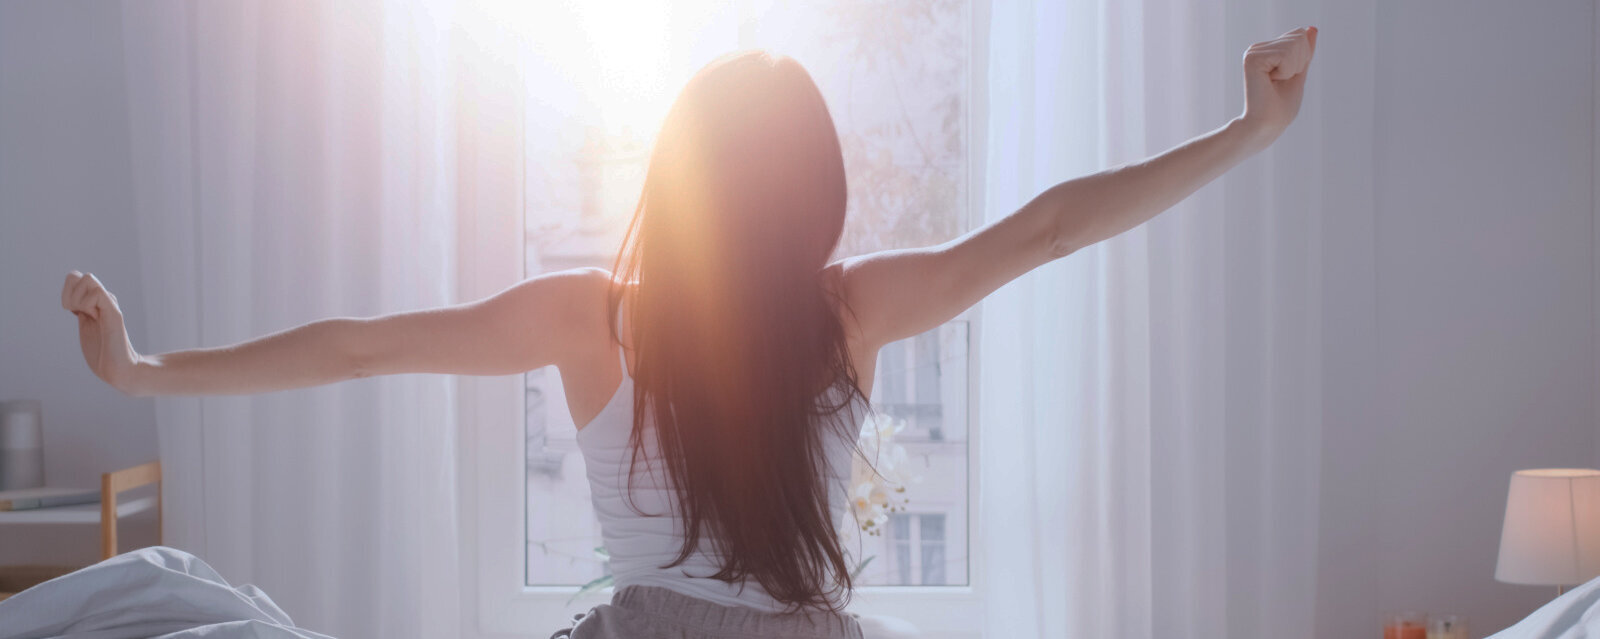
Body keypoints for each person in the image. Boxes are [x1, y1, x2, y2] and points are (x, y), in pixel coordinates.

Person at [57, 27, 1316, 639]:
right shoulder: (850, 310)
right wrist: (1249, 132)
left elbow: (358, 346)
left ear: (679, 185)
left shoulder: (595, 318)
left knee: (179, 602)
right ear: (814, 191)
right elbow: (1047, 230)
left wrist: (145, 371)